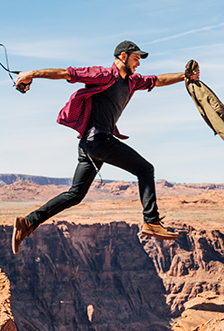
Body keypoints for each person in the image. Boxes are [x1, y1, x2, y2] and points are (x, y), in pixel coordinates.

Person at [11, 40, 199, 254]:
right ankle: (151, 221)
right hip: (98, 140)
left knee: (75, 194)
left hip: (89, 145)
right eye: (136, 58)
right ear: (123, 56)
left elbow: (158, 80)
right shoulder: (103, 75)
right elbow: (66, 73)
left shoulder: (132, 81)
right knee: (145, 169)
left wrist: (185, 76)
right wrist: (31, 74)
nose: (138, 63)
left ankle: (28, 223)